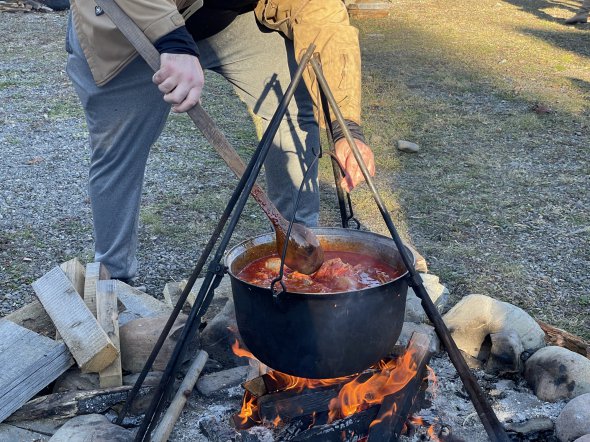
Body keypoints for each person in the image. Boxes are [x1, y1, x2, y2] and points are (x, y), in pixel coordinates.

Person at [66, 0, 376, 282]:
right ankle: (114, 284)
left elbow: (321, 12)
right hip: (128, 23)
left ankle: (299, 251)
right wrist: (172, 40)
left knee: (291, 106)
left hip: (228, 19)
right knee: (118, 151)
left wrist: (346, 128)